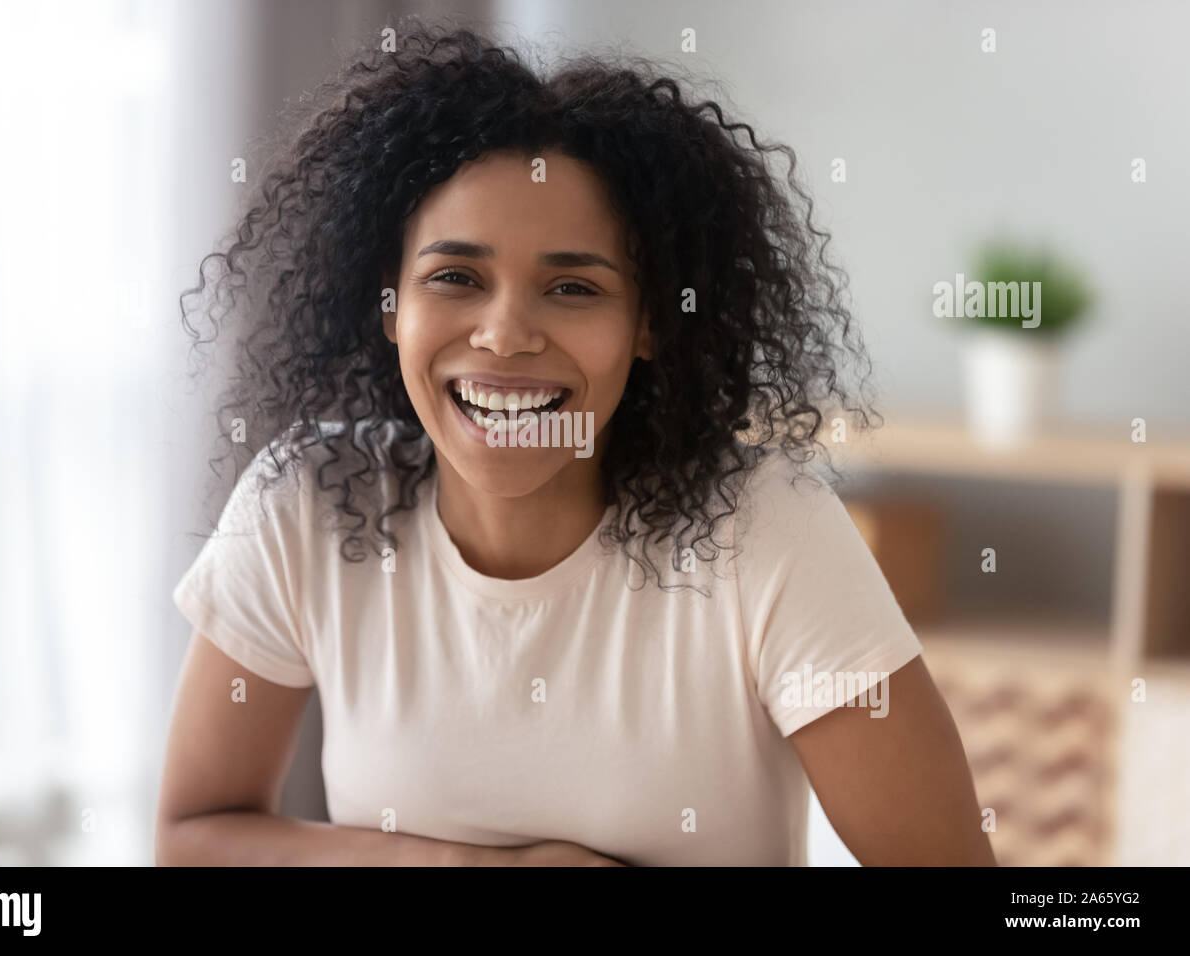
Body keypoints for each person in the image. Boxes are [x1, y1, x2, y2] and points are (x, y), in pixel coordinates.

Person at [155, 22, 995, 866]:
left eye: (572, 287)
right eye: (455, 277)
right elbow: (190, 841)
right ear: (389, 306)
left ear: (650, 326)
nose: (505, 334)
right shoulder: (308, 500)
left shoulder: (765, 529)